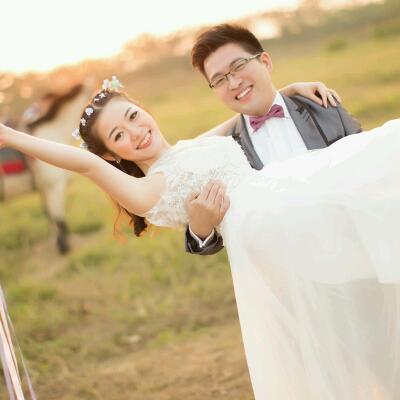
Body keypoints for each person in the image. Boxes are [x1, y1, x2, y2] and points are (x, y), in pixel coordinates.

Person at [1, 76, 400, 399]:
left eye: (134, 116)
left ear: (144, 109)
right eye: (119, 136)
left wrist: (290, 89)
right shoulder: (148, 190)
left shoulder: (191, 147)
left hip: (287, 192)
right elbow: (84, 164)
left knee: (368, 165)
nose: (135, 133)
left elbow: (238, 118)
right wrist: (9, 136)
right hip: (270, 225)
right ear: (110, 155)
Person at [184, 24, 362, 255]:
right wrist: (201, 230)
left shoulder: (322, 105)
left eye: (238, 66)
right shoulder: (225, 150)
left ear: (265, 62)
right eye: (219, 80)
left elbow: (367, 166)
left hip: (354, 249)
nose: (234, 83)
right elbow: (210, 240)